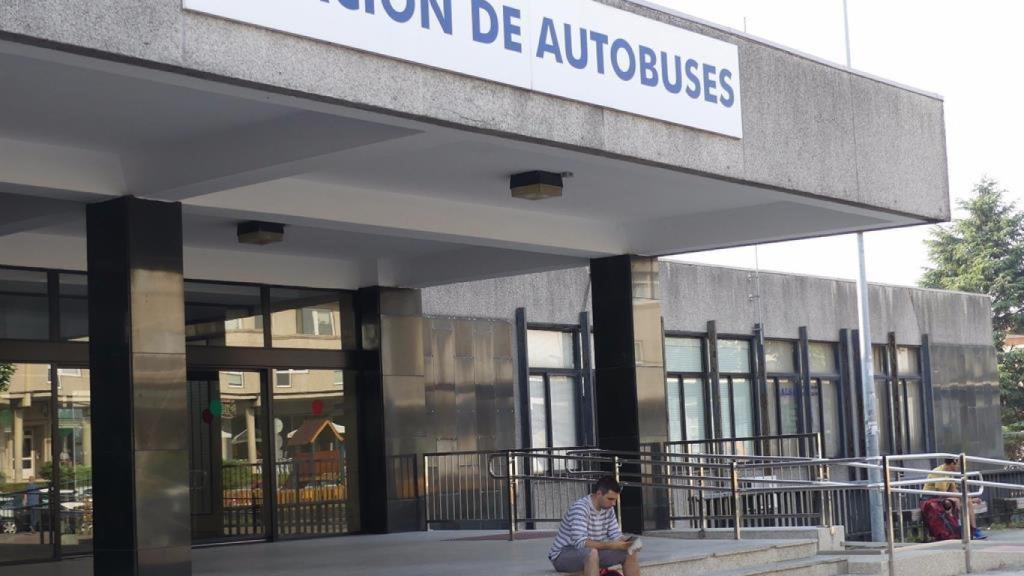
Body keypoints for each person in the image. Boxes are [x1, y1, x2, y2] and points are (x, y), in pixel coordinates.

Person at [548, 476, 641, 576]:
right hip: (563, 555)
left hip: (594, 551)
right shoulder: (580, 508)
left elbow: (615, 535)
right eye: (610, 499)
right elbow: (581, 543)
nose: (613, 503)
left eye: (615, 500)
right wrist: (610, 545)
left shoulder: (608, 509)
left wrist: (628, 543)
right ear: (599, 494)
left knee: (629, 552)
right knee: (591, 553)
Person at [923, 458, 985, 540]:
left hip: (941, 497)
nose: (958, 467)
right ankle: (959, 530)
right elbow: (942, 493)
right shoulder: (939, 472)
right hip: (931, 499)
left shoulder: (949, 473)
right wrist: (957, 498)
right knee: (956, 501)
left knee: (967, 500)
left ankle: (973, 530)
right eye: (957, 464)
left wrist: (969, 498)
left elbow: (954, 490)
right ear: (952, 464)